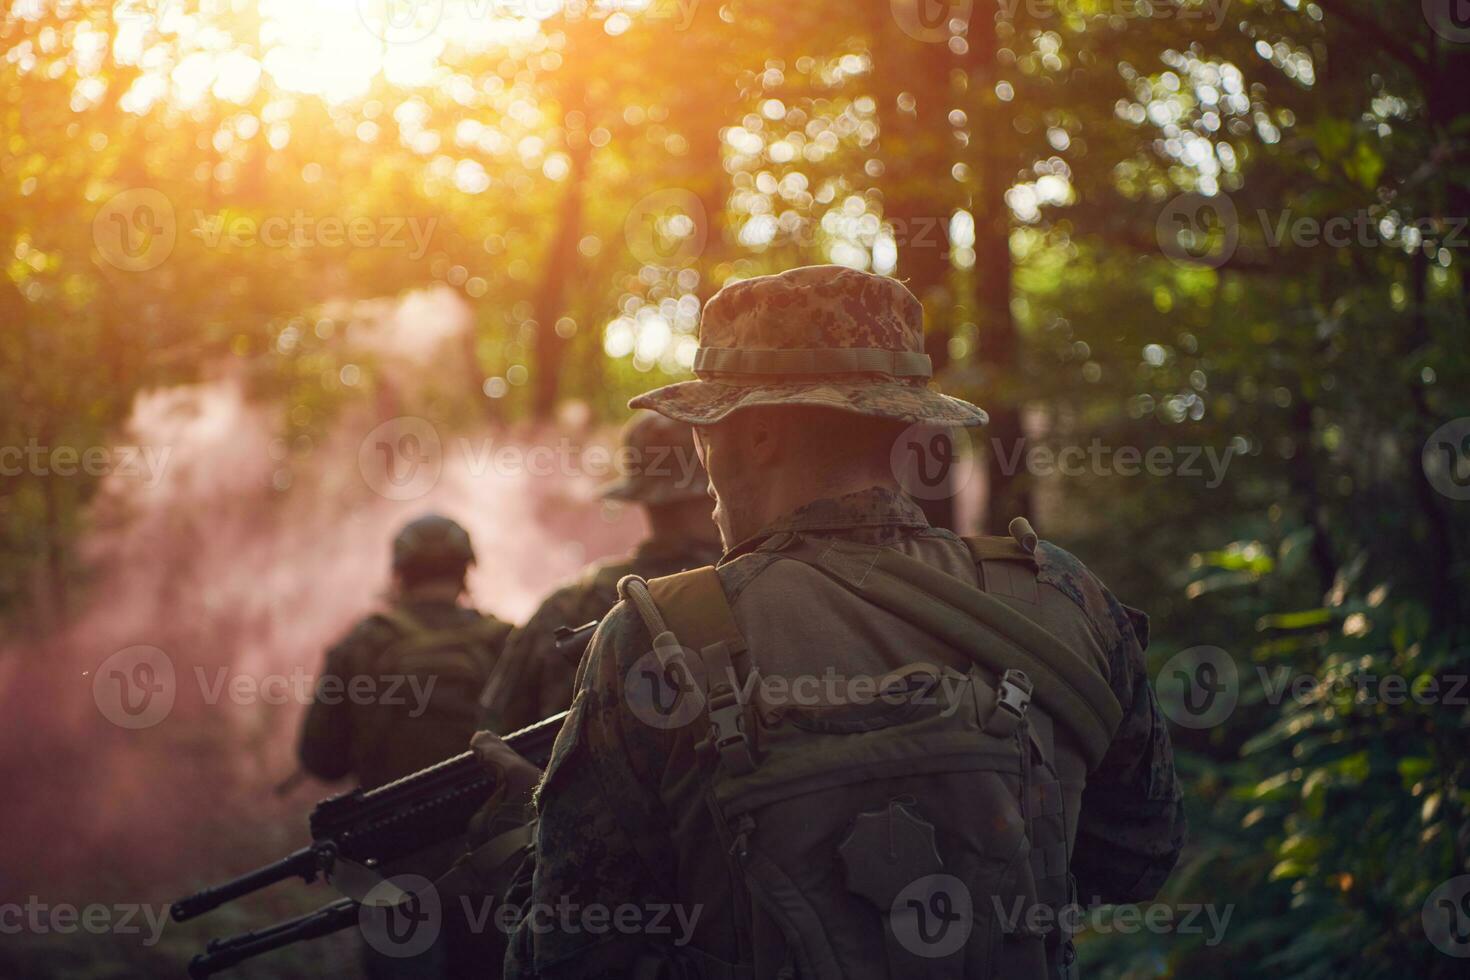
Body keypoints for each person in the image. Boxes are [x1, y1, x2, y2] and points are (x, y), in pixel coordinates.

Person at [463, 265, 1186, 979]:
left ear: (759, 438)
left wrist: (519, 838)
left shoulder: (655, 638)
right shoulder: (1060, 595)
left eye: (707, 429)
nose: (702, 459)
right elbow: (1138, 861)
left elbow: (568, 960)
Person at [477, 411, 721, 734]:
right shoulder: (754, 586)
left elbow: (494, 733)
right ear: (713, 488)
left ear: (640, 496)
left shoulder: (568, 606)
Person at [298, 514, 511, 791]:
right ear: (465, 571)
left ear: (400, 573)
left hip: (391, 825)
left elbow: (322, 760)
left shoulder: (363, 644)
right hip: (494, 825)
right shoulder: (505, 641)